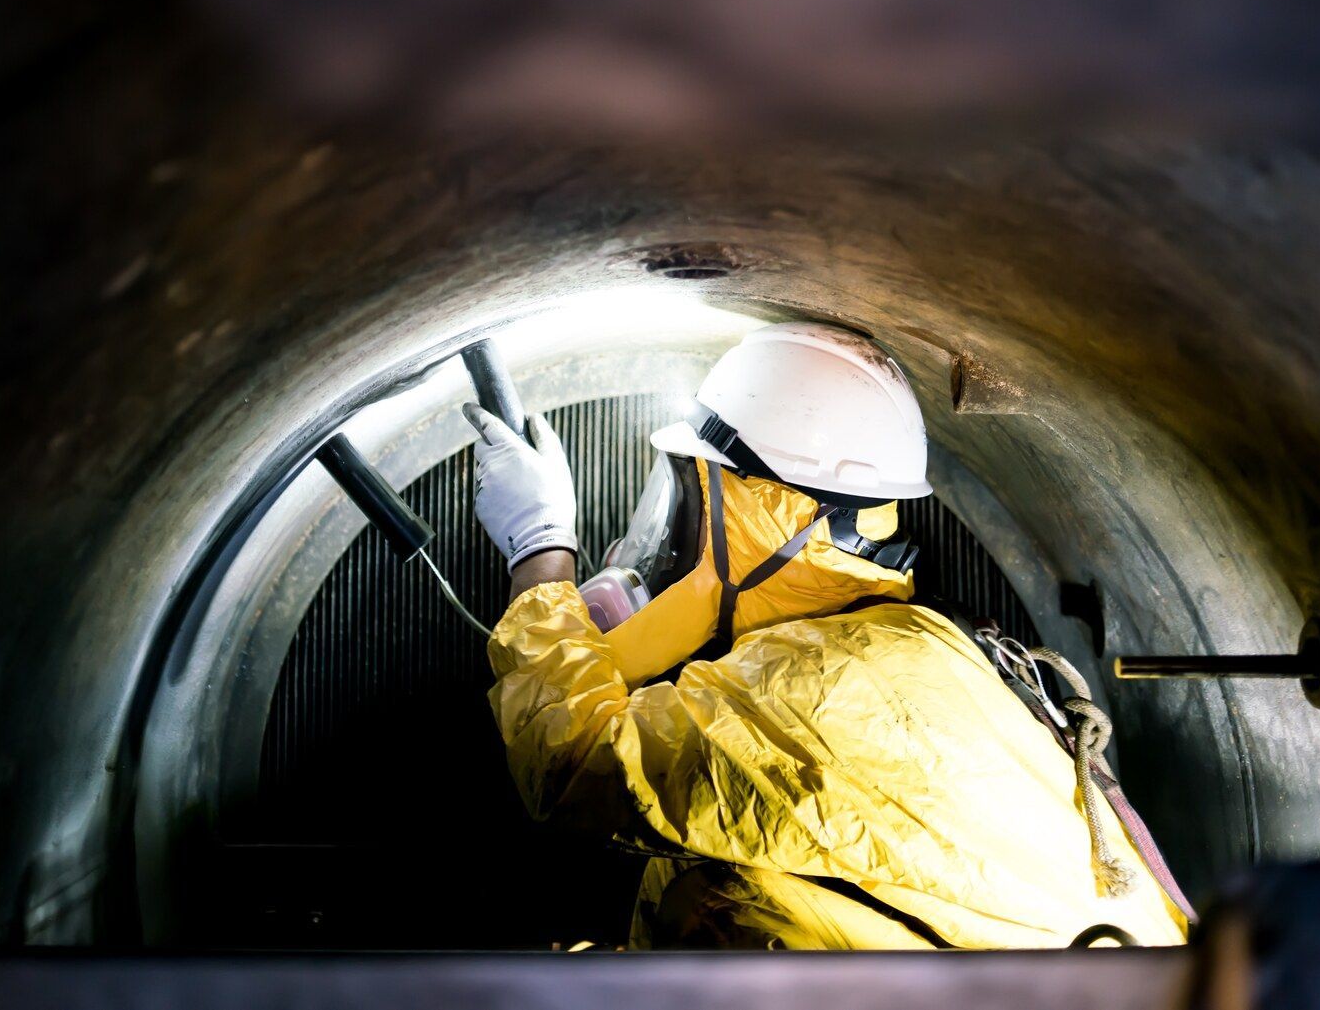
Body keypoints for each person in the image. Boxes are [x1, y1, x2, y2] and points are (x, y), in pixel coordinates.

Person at [464, 321, 1191, 950]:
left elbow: (571, 762)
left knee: (710, 901)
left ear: (772, 521)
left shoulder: (822, 691)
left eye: (690, 508)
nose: (674, 538)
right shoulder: (891, 647)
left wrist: (540, 545)